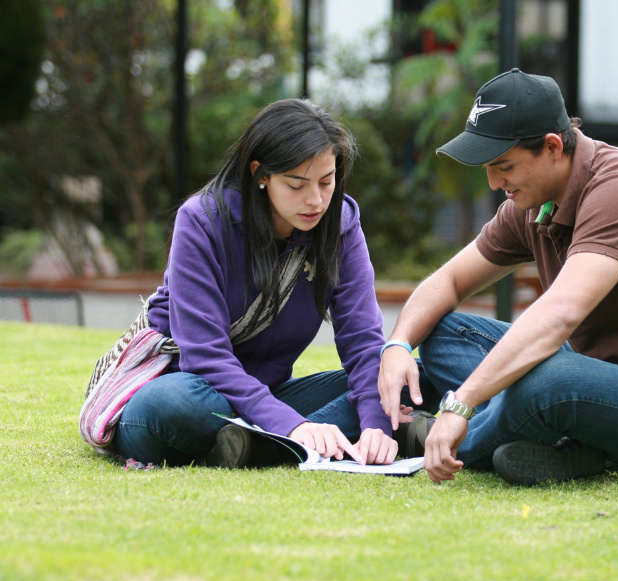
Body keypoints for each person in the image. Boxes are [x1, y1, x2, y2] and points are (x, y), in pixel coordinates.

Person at [378, 69, 618, 485]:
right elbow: (449, 282)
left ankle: (426, 437)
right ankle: (573, 448)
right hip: (595, 377)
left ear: (552, 147)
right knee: (445, 332)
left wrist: (461, 407)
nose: (494, 183)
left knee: (549, 381)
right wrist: (398, 345)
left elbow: (561, 313)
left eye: (503, 165)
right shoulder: (531, 201)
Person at [106, 98, 425, 468]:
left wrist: (375, 424)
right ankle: (286, 439)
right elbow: (204, 357)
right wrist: (290, 424)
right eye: (296, 185)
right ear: (261, 175)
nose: (316, 200)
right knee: (173, 403)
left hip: (268, 399)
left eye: (327, 181)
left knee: (409, 380)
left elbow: (362, 339)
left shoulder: (340, 225)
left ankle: (256, 444)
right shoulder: (201, 221)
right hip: (189, 391)